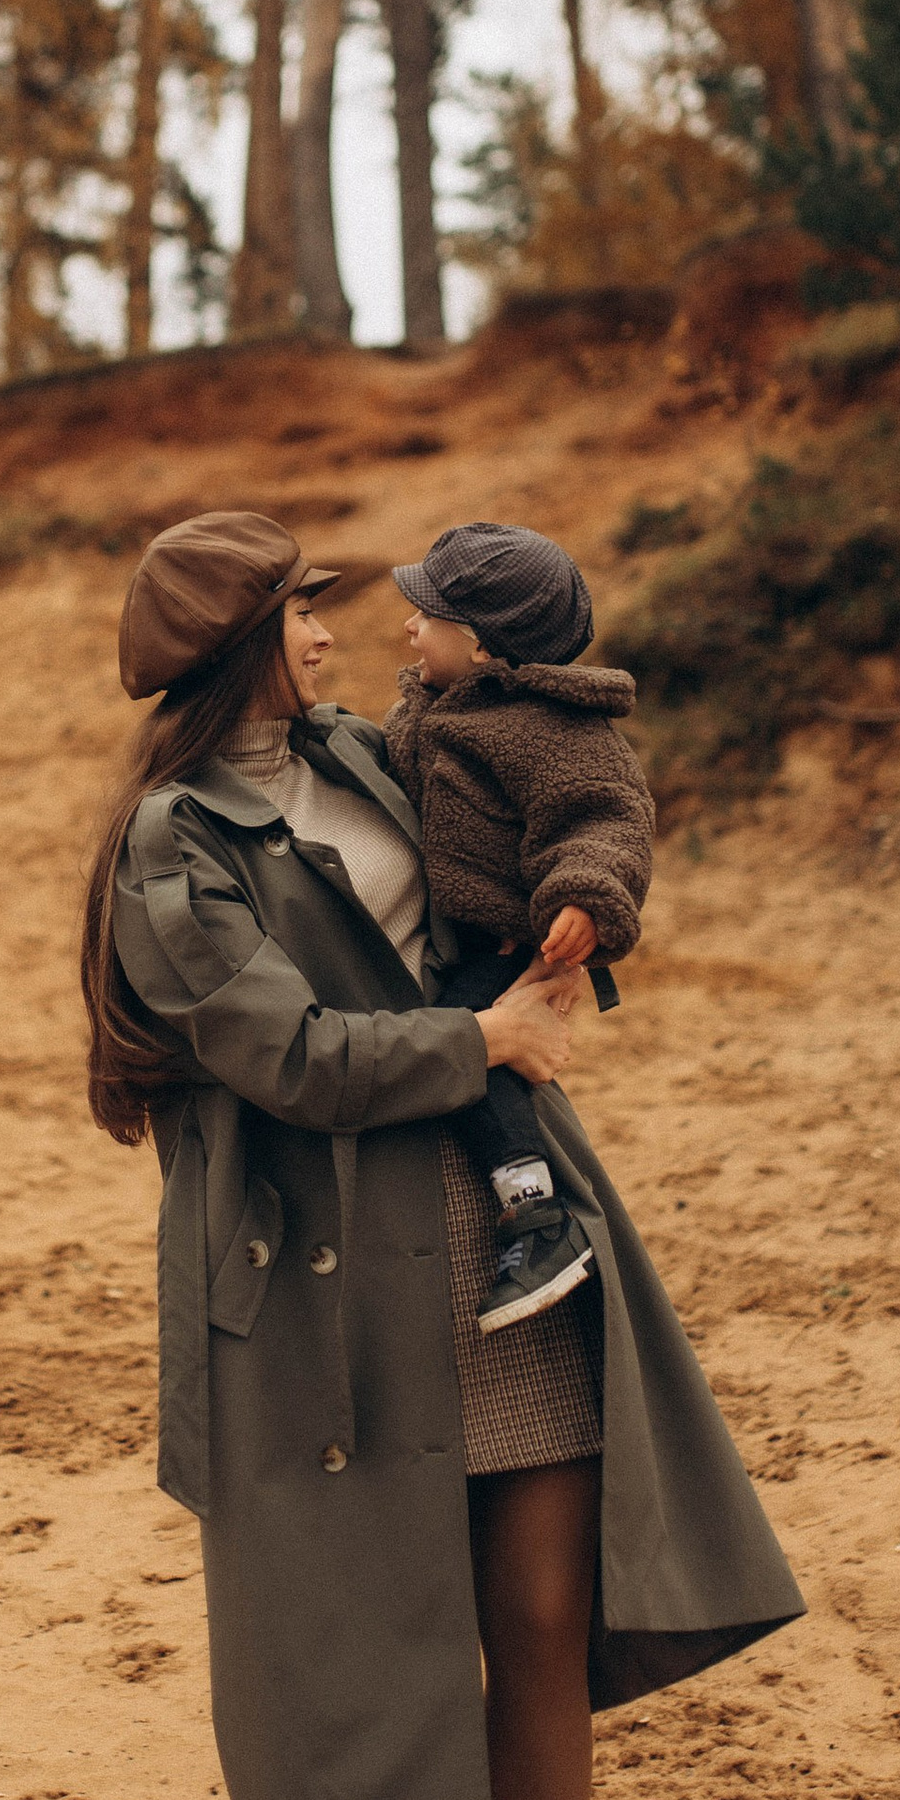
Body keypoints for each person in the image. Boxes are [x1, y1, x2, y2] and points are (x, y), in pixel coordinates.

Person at [80, 509, 803, 1800]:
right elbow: (289, 1055)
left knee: (540, 1614)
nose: (331, 633)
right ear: (232, 652)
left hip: (504, 1227)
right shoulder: (168, 848)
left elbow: (570, 789)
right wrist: (480, 1033)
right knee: (331, 1643)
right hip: (318, 1270)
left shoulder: (381, 745)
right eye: (299, 616)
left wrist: (580, 918)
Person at [385, 520, 655, 1337]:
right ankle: (531, 1208)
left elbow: (608, 820)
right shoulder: (428, 707)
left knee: (470, 1047)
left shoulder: (556, 730)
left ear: (479, 646)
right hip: (453, 934)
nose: (407, 627)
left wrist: (583, 897)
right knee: (456, 1041)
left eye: (425, 617)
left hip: (508, 941)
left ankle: (536, 1216)